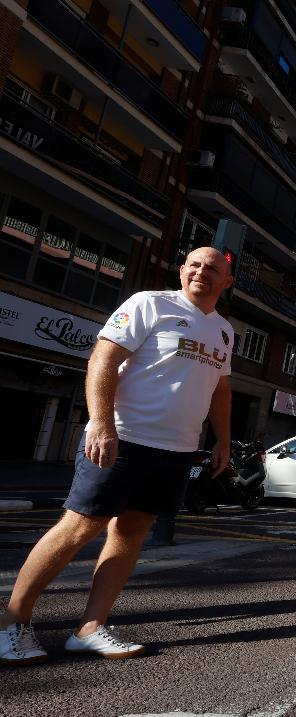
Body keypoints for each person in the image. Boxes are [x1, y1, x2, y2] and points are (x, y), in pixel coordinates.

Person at [0, 247, 234, 665]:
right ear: (182, 271)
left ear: (226, 282)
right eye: (194, 265)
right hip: (124, 438)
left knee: (131, 531)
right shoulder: (150, 304)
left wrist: (223, 440)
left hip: (176, 449)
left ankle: (90, 628)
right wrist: (101, 424)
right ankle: (11, 624)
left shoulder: (224, 331)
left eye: (213, 268)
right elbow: (103, 359)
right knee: (79, 526)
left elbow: (220, 390)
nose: (202, 272)